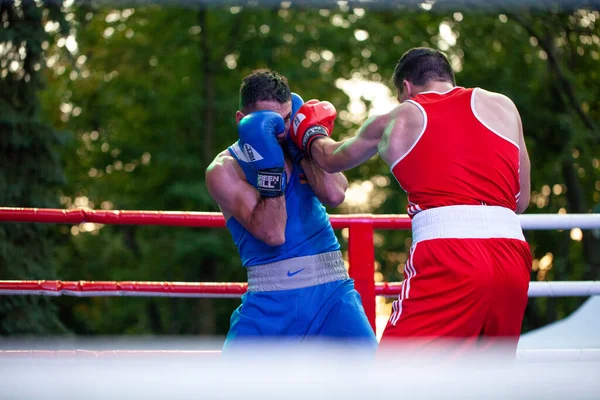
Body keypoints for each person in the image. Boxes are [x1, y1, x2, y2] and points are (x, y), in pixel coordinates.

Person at [289, 47, 532, 355]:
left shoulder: (402, 115)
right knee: (487, 379)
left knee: (396, 375)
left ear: (406, 87)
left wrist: (309, 131)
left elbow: (331, 158)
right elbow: (520, 200)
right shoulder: (504, 106)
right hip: (512, 255)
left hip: (451, 254)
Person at [205, 69, 377, 352]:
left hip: (332, 292)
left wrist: (305, 150)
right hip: (270, 300)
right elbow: (273, 234)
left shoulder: (295, 142)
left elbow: (335, 193)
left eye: (286, 119)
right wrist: (269, 166)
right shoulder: (225, 169)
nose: (281, 131)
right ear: (242, 120)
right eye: (268, 122)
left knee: (372, 385)